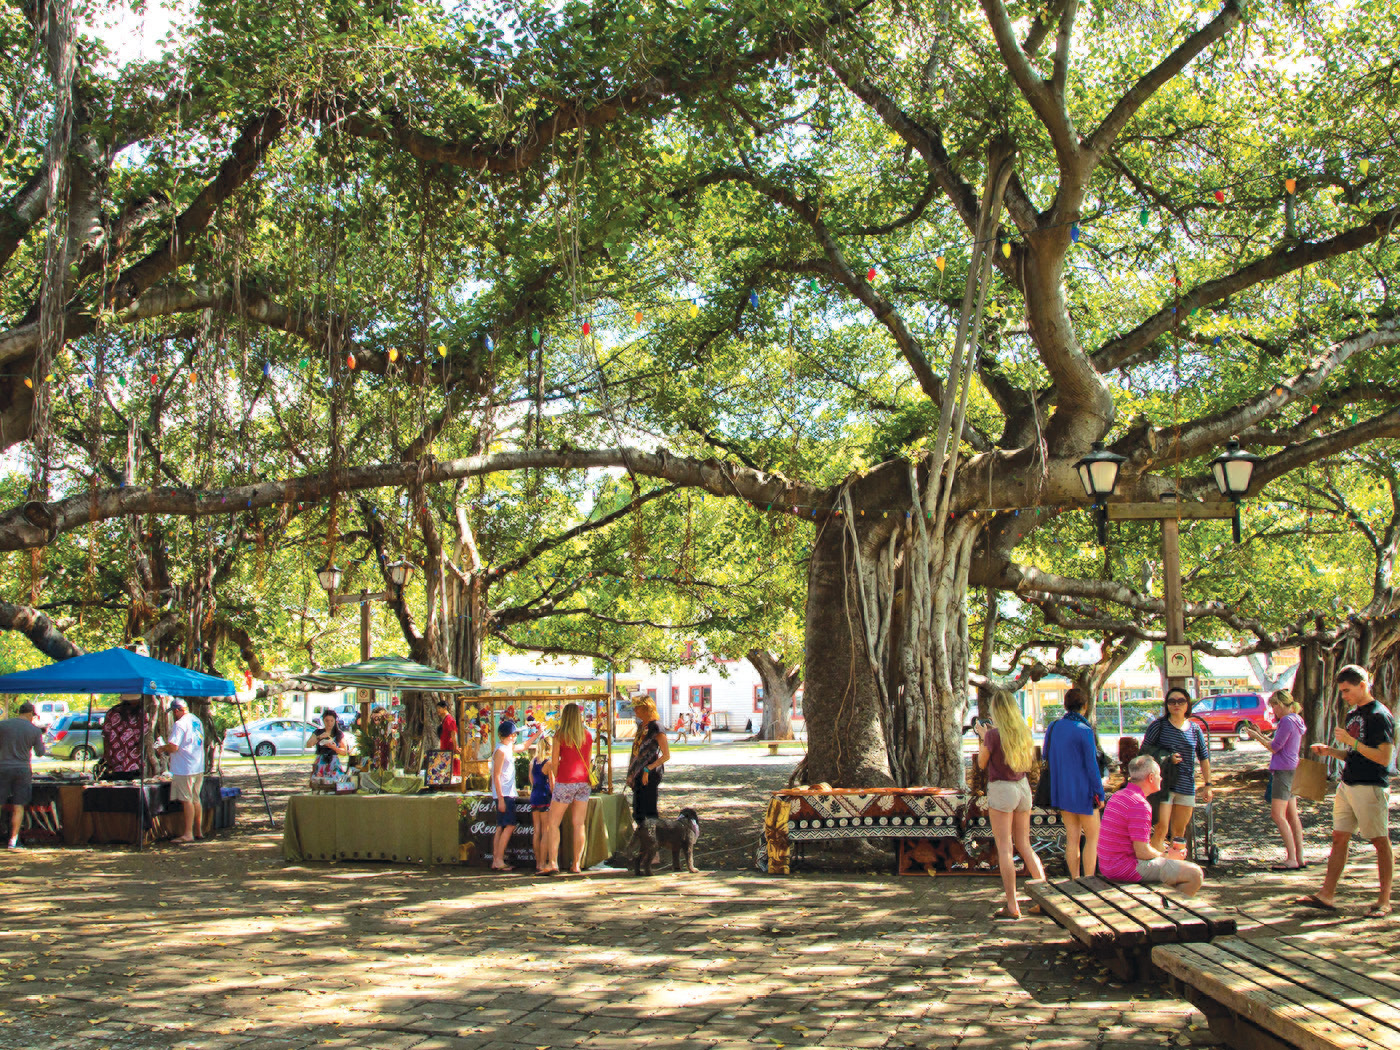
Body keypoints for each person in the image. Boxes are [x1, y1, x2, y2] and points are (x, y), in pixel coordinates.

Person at [1296, 665, 1394, 917]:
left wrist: (1352, 742)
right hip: (1347, 783)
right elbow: (1354, 754)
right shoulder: (1353, 714)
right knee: (1339, 837)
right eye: (1341, 691)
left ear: (1363, 685)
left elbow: (1384, 758)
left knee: (1379, 841)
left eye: (1347, 690)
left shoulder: (1379, 715)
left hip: (1370, 785)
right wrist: (1330, 751)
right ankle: (1326, 894)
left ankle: (1384, 900)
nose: (1344, 696)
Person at [975, 690, 1046, 919]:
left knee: (1005, 847)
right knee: (1025, 845)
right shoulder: (1023, 731)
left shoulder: (993, 736)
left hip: (1002, 789)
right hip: (1022, 787)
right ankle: (1045, 899)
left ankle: (1012, 905)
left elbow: (982, 763)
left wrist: (982, 737)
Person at [1099, 755, 1205, 895]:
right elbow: (1142, 852)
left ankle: (1166, 904)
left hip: (1107, 866)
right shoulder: (1140, 804)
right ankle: (1171, 913)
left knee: (1174, 869)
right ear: (1150, 778)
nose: (1161, 779)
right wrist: (1167, 856)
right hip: (1125, 868)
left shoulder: (1118, 796)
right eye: (1159, 775)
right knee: (1194, 874)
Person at [1141, 687, 1212, 856]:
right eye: (1172, 701)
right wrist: (1167, 757)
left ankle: (1175, 868)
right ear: (1167, 705)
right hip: (1163, 785)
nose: (1176, 705)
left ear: (1188, 704)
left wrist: (1208, 784)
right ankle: (1157, 867)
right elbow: (1144, 751)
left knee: (1179, 833)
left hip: (1186, 784)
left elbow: (1203, 757)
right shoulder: (1159, 726)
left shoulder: (1195, 729)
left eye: (1181, 701)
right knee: (1161, 828)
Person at [1045, 686, 1105, 879]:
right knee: (1092, 838)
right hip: (1084, 791)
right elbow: (1092, 766)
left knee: (1072, 839)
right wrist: (1100, 793)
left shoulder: (1053, 727)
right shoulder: (1085, 730)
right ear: (1085, 707)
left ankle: (1074, 879)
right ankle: (1088, 879)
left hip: (1062, 789)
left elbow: (1045, 754)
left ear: (1065, 705)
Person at [1243, 689, 1307, 870]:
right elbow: (1279, 743)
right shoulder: (1296, 719)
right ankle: (1299, 856)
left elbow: (1275, 747)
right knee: (1292, 815)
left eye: (1274, 706)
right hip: (1292, 768)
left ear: (1281, 704)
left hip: (1283, 770)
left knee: (1278, 815)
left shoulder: (1286, 720)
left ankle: (1292, 858)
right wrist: (1261, 735)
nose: (1273, 711)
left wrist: (1257, 737)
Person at [540, 702, 593, 875]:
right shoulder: (587, 735)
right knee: (579, 824)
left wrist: (554, 778)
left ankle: (553, 863)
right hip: (583, 781)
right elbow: (589, 759)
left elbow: (554, 763)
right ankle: (576, 864)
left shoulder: (560, 736)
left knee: (553, 823)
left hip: (565, 781)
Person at [156, 698, 205, 844]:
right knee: (196, 799)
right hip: (197, 765)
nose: (174, 715)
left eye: (174, 712)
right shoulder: (196, 720)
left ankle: (188, 833)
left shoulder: (180, 724)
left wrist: (162, 747)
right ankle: (198, 831)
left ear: (177, 710)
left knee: (187, 800)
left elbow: (174, 747)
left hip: (185, 767)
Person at [0, 702, 46, 849]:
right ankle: (13, 840)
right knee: (18, 806)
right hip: (22, 770)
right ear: (30, 714)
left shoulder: (3, 725)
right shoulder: (34, 730)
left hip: (2, 767)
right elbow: (40, 752)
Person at [627, 719, 671, 826]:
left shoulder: (656, 727)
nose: (635, 710)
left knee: (650, 812)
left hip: (650, 774)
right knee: (638, 812)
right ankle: (643, 837)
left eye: (638, 707)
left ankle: (653, 838)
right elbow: (636, 753)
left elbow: (666, 755)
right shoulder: (641, 726)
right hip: (638, 774)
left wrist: (648, 769)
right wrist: (631, 773)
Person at [488, 720, 519, 872]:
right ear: (510, 735)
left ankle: (496, 858)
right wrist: (500, 798)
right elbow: (496, 775)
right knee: (509, 825)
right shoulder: (501, 751)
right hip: (504, 793)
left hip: (507, 792)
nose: (515, 737)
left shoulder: (507, 748)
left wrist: (538, 733)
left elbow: (523, 747)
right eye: (514, 734)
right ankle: (499, 858)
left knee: (501, 826)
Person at [102, 693, 145, 780]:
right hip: (116, 759)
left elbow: (145, 734)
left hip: (134, 760)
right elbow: (105, 735)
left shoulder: (141, 713)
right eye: (133, 702)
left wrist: (141, 746)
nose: (135, 704)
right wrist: (106, 754)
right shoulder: (112, 713)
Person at [528, 734, 554, 874]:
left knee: (536, 830)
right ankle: (543, 862)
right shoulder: (548, 763)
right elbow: (552, 783)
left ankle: (538, 862)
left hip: (534, 795)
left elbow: (531, 780)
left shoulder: (533, 762)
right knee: (546, 830)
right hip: (544, 796)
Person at [309, 709, 350, 780]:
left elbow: (344, 752)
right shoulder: (318, 732)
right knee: (319, 782)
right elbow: (309, 744)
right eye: (327, 721)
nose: (329, 723)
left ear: (335, 721)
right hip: (321, 761)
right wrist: (319, 737)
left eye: (332, 721)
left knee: (334, 781)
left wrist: (334, 748)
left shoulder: (338, 734)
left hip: (333, 761)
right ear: (323, 721)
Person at [435, 698, 461, 779]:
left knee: (452, 765)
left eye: (439, 708)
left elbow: (453, 734)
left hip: (450, 746)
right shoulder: (444, 719)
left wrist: (455, 747)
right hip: (444, 746)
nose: (438, 710)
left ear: (445, 708)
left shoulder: (450, 719)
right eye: (437, 709)